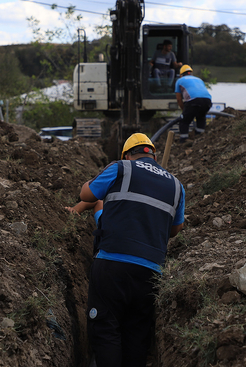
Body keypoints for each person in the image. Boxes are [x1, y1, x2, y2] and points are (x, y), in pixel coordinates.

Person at [68, 133, 185, 367]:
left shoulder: (121, 168)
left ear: (127, 155)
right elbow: (174, 230)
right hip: (151, 272)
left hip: (113, 264)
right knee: (136, 334)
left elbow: (86, 195)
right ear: (151, 153)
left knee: (106, 329)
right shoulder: (176, 185)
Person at [174, 65, 212, 143]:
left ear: (181, 75)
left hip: (193, 101)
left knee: (184, 121)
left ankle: (184, 141)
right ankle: (199, 137)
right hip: (207, 101)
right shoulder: (199, 79)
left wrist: (184, 111)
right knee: (201, 117)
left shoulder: (180, 80)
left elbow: (179, 99)